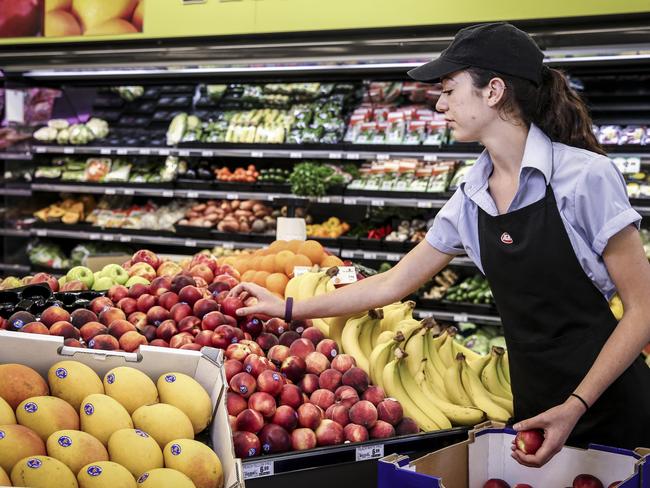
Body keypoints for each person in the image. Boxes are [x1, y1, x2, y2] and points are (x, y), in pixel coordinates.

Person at [229, 22, 650, 467]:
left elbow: (642, 308)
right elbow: (393, 283)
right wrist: (286, 308)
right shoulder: (471, 194)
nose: (440, 103)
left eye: (449, 89)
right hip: (533, 402)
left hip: (610, 408)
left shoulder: (584, 178)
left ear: (493, 91)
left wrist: (577, 404)